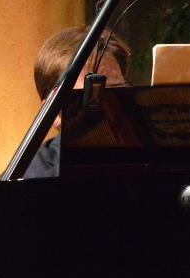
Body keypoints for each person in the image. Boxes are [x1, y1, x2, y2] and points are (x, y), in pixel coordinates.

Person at [24, 27, 129, 179]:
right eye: (94, 94)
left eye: (118, 90)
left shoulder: (146, 163)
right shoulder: (31, 180)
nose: (111, 105)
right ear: (54, 114)